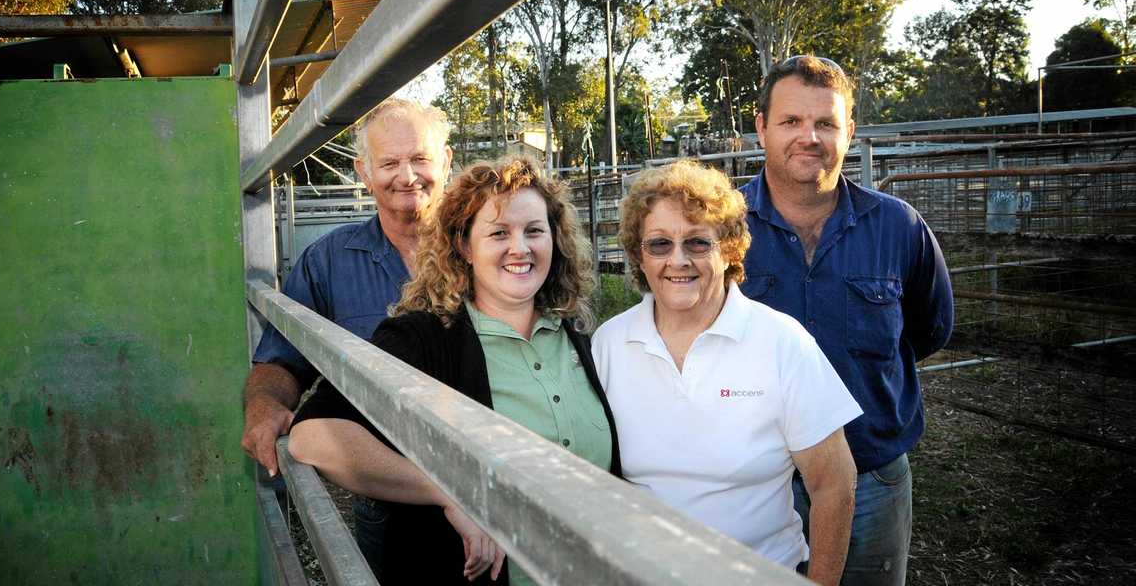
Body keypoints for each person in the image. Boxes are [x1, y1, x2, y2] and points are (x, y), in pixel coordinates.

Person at [288, 156, 621, 585]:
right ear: (464, 246)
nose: (520, 247)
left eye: (534, 231)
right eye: (498, 233)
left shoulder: (581, 337)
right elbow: (313, 436)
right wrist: (450, 492)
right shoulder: (423, 341)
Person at [592, 160, 861, 584]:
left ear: (730, 248)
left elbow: (834, 484)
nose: (677, 260)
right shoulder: (608, 345)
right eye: (659, 244)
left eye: (698, 243)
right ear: (638, 257)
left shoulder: (781, 343)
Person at [741, 55, 955, 586]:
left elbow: (929, 329)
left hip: (872, 476)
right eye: (791, 121)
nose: (808, 137)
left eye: (826, 123)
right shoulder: (720, 229)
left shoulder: (899, 228)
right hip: (757, 481)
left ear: (850, 131)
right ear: (761, 127)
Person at [239, 97, 453, 575]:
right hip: (385, 493)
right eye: (389, 162)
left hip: (483, 478)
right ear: (363, 171)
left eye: (420, 158)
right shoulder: (329, 261)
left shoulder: (482, 247)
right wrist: (264, 404)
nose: (407, 175)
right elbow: (282, 357)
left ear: (446, 161)